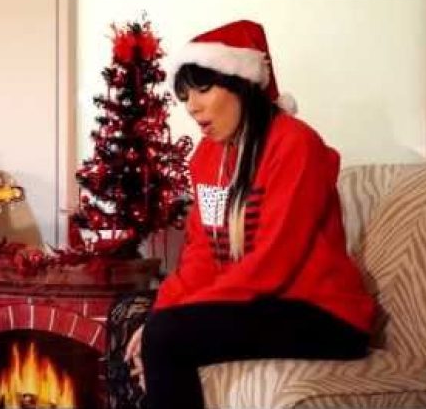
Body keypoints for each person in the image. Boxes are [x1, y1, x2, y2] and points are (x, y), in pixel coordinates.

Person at [122, 20, 376, 409]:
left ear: (241, 84)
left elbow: (274, 262)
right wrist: (160, 312)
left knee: (165, 334)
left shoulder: (295, 144)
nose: (192, 106)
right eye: (186, 95)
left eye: (204, 89)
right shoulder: (207, 158)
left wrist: (168, 323)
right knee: (145, 323)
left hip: (323, 313)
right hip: (260, 304)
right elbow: (203, 256)